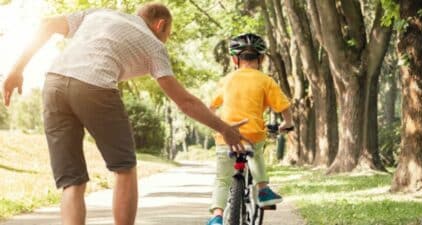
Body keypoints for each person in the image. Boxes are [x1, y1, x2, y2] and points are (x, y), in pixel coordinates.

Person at [2, 3, 248, 225]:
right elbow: (185, 101)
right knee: (124, 168)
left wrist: (16, 70)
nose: (165, 42)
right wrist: (224, 128)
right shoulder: (154, 45)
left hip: (53, 84)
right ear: (160, 25)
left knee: (72, 181)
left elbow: (47, 25)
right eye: (167, 36)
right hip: (95, 86)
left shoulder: (99, 14)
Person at [206, 33, 294, 225]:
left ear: (234, 59)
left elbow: (210, 108)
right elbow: (284, 107)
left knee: (222, 179)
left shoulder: (226, 80)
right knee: (256, 154)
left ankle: (216, 217)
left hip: (226, 137)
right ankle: (263, 190)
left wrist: (216, 124)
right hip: (253, 134)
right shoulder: (266, 80)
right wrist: (286, 123)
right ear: (261, 59)